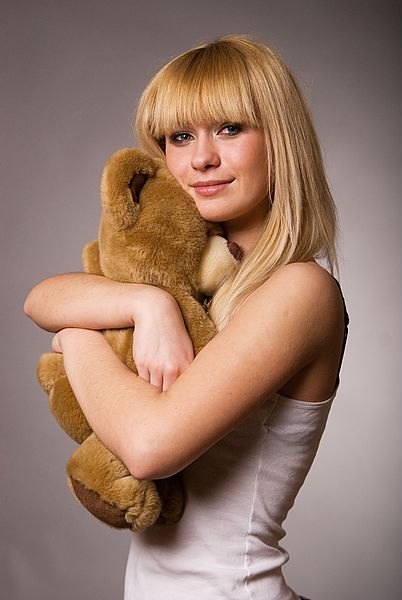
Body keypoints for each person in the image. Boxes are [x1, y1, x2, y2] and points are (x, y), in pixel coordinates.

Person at [24, 35, 348, 600]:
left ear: (282, 140)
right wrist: (145, 303)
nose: (201, 158)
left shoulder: (301, 289)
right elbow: (41, 299)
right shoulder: (192, 276)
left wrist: (79, 339)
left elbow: (150, 446)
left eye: (229, 128)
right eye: (179, 136)